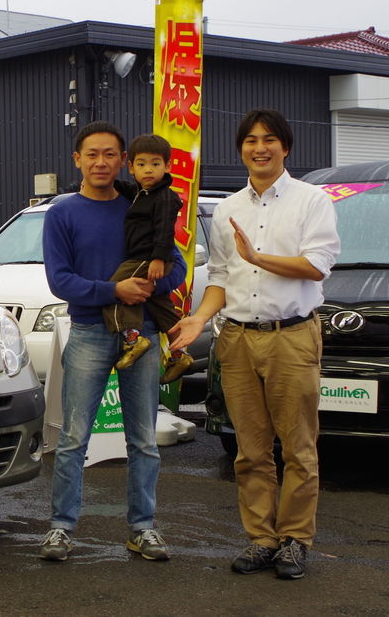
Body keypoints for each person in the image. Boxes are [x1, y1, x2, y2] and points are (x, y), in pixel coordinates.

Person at [168, 109, 339, 580]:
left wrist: (259, 257)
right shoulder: (227, 209)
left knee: (299, 448)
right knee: (250, 449)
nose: (259, 147)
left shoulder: (312, 200)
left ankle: (295, 540)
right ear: (240, 148)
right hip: (238, 339)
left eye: (269, 140)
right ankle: (262, 538)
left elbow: (317, 265)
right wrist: (198, 318)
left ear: (285, 147)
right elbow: (222, 277)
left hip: (292, 336)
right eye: (250, 140)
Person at [39, 121, 186, 562]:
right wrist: (112, 290)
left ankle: (142, 528)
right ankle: (61, 529)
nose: (101, 162)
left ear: (124, 160)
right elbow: (59, 280)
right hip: (87, 331)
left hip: (141, 330)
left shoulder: (143, 202)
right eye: (92, 154)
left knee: (142, 438)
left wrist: (146, 286)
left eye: (110, 155)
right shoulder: (62, 213)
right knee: (73, 438)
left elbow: (175, 267)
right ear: (77, 160)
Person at [103, 134, 194, 383]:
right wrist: (104, 183)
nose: (148, 170)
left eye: (155, 164)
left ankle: (133, 339)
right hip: (145, 259)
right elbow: (127, 187)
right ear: (131, 167)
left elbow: (166, 230)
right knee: (159, 305)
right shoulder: (141, 192)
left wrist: (158, 259)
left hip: (146, 259)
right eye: (141, 164)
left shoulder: (165, 197)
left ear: (168, 166)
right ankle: (179, 353)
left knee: (116, 290)